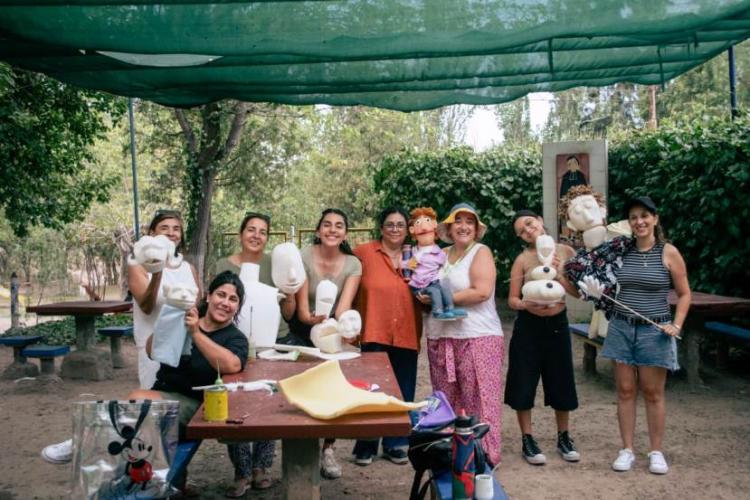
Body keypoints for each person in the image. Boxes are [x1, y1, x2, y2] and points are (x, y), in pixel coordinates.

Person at [41, 271, 248, 499]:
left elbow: (232, 364)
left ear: (238, 307)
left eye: (233, 299)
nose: (225, 303)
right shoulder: (186, 317)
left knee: (138, 400)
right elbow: (152, 351)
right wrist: (170, 319)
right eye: (221, 295)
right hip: (164, 394)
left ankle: (83, 442)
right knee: (136, 419)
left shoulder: (234, 337)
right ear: (208, 296)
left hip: (198, 405)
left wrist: (196, 333)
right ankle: (99, 455)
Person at [599, 196, 690, 475]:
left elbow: (685, 294)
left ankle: (656, 452)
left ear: (655, 219)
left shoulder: (669, 252)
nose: (639, 222)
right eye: (634, 217)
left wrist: (677, 324)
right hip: (621, 327)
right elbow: (601, 277)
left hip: (655, 330)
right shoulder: (620, 251)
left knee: (653, 393)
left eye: (644, 216)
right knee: (625, 391)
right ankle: (626, 450)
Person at [213, 212, 295, 496]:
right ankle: (242, 471)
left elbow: (289, 309)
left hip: (274, 341)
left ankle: (262, 467)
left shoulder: (276, 264)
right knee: (236, 404)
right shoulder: (224, 265)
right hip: (233, 344)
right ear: (241, 234)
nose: (256, 235)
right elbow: (216, 305)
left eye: (263, 231)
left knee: (269, 403)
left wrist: (291, 294)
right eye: (251, 229)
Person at [421, 203, 504, 466]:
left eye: (470, 222)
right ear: (448, 227)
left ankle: (484, 457)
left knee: (479, 399)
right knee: (446, 400)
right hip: (441, 336)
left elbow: (482, 291)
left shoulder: (481, 252)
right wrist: (424, 296)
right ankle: (453, 455)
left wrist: (441, 301)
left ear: (477, 229)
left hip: (477, 337)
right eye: (458, 221)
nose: (464, 226)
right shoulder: (439, 254)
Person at [506, 210, 581, 466]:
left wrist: (560, 273)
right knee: (523, 381)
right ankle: (527, 439)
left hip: (558, 325)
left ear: (539, 219)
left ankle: (564, 436)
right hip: (528, 327)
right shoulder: (522, 259)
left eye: (529, 223)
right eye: (521, 231)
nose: (528, 230)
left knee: (561, 380)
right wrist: (526, 305)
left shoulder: (565, 252)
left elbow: (577, 293)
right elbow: (512, 299)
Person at [293, 208, 362, 479]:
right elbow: (301, 311)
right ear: (318, 230)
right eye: (327, 225)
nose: (333, 230)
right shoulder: (303, 256)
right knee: (305, 391)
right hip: (304, 327)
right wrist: (313, 320)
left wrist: (342, 329)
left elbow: (343, 307)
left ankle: (328, 448)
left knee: (334, 389)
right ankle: (303, 446)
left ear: (345, 232)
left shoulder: (354, 264)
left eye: (339, 226)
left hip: (334, 331)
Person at [351, 207, 422, 466]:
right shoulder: (363, 253)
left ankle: (395, 443)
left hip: (406, 330)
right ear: (381, 228)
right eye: (389, 224)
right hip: (373, 329)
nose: (394, 229)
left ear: (407, 230)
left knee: (403, 389)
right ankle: (366, 444)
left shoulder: (417, 256)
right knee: (371, 389)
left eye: (400, 225)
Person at [129, 210, 201, 390]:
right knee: (155, 401)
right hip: (152, 346)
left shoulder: (188, 267)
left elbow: (199, 305)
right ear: (152, 233)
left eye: (176, 229)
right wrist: (157, 270)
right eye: (164, 228)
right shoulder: (138, 265)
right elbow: (146, 307)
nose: (171, 233)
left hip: (186, 347)